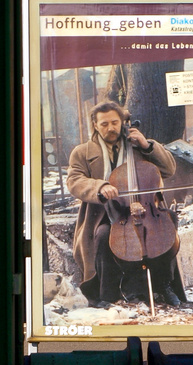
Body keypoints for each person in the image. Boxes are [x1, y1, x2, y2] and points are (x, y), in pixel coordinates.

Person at [66, 100, 186, 307]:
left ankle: (164, 285)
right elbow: (74, 180)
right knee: (103, 235)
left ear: (122, 122)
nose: (111, 128)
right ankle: (106, 295)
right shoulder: (82, 152)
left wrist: (148, 146)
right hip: (105, 211)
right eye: (104, 124)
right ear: (95, 125)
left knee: (169, 221)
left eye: (115, 122)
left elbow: (169, 170)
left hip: (142, 206)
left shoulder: (137, 145)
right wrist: (100, 186)